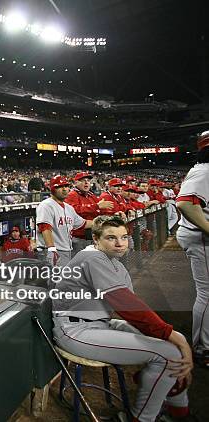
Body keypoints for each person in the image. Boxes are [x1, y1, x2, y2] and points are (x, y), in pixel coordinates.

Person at [52, 215, 194, 422]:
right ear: (96, 239)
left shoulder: (115, 264)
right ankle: (141, 418)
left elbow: (136, 310)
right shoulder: (91, 257)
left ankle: (178, 409)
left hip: (101, 324)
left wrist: (172, 338)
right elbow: (127, 306)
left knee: (173, 347)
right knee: (169, 352)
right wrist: (174, 337)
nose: (120, 243)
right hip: (75, 331)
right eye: (111, 238)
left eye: (124, 237)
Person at [176, 130, 209, 368]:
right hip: (201, 239)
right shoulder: (204, 171)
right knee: (207, 294)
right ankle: (203, 348)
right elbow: (185, 203)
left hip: (199, 236)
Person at [36, 176, 92, 267]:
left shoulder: (69, 208)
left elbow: (84, 223)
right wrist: (51, 249)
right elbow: (45, 227)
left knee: (64, 279)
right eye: (60, 187)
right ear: (53, 189)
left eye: (66, 186)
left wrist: (104, 220)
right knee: (52, 280)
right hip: (51, 250)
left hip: (67, 251)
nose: (64, 189)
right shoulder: (46, 205)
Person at [65, 172, 114, 256]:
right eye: (83, 180)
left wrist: (114, 214)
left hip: (93, 235)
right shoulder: (72, 195)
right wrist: (96, 206)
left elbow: (101, 209)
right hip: (79, 237)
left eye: (88, 180)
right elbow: (74, 210)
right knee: (80, 264)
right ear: (76, 183)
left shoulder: (91, 195)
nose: (86, 182)